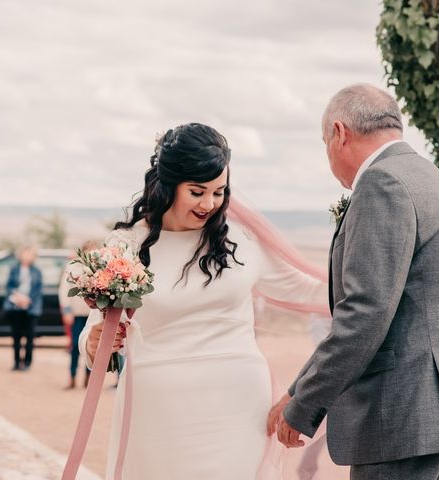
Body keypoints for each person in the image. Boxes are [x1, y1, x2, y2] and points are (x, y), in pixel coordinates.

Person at [79, 123, 329, 479]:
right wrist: (95, 344)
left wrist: (376, 284)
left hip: (239, 406)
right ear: (168, 184)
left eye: (219, 192)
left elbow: (307, 290)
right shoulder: (125, 246)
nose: (209, 204)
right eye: (197, 191)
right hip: (159, 414)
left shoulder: (242, 240)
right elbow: (94, 341)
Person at [268, 84, 439, 480]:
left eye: (323, 142)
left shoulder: (382, 184)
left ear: (339, 133)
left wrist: (304, 404)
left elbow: (364, 314)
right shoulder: (435, 180)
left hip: (400, 419)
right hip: (437, 412)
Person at [59, 240, 98, 389]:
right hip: (77, 313)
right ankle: (72, 376)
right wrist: (66, 310)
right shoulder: (73, 267)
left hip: (93, 314)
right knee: (75, 345)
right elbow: (64, 289)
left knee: (92, 347)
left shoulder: (99, 268)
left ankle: (89, 377)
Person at [3, 246, 43, 371]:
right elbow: (9, 286)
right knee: (16, 336)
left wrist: (27, 300)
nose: (27, 257)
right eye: (25, 254)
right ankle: (16, 362)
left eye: (30, 254)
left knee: (30, 337)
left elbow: (38, 290)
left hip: (31, 307)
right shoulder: (14, 269)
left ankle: (27, 362)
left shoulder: (37, 271)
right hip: (15, 305)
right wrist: (17, 297)